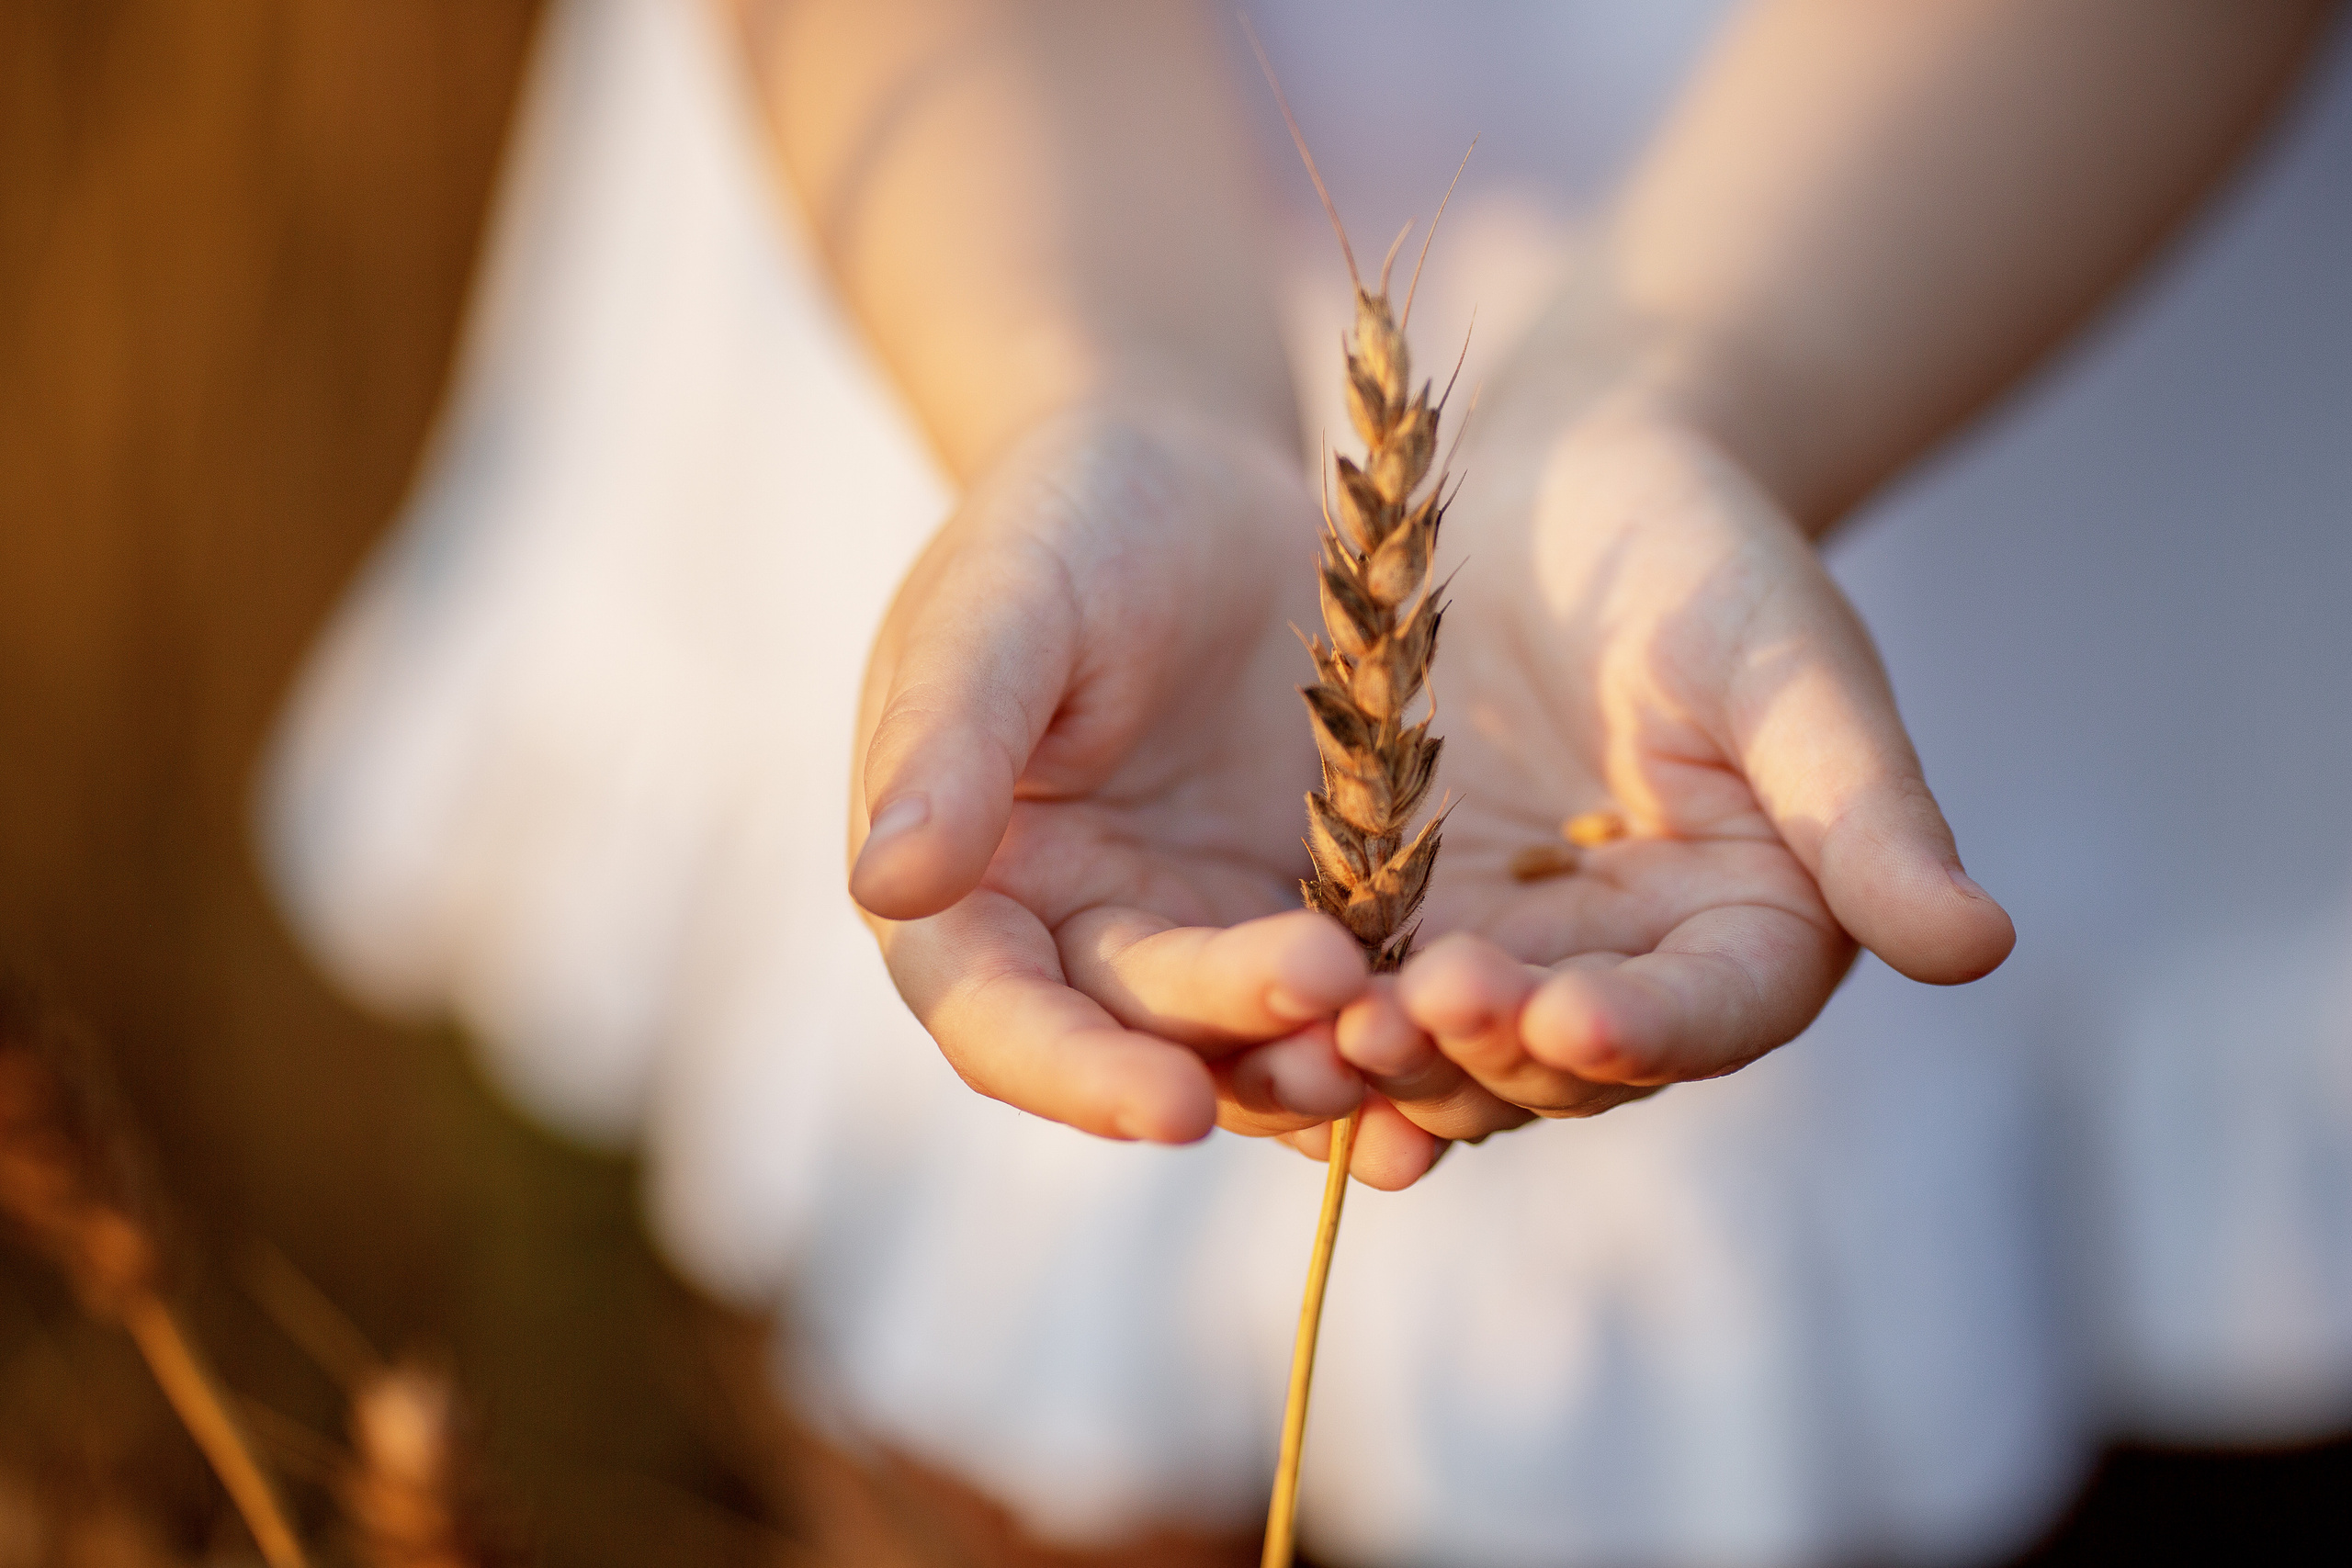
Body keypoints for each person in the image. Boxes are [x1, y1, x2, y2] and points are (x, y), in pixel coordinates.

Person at [267, 0, 2352, 1562]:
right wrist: (1093, 379)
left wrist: (1693, 384)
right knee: (1013, 1456)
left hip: (1976, 230)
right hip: (982, 220)